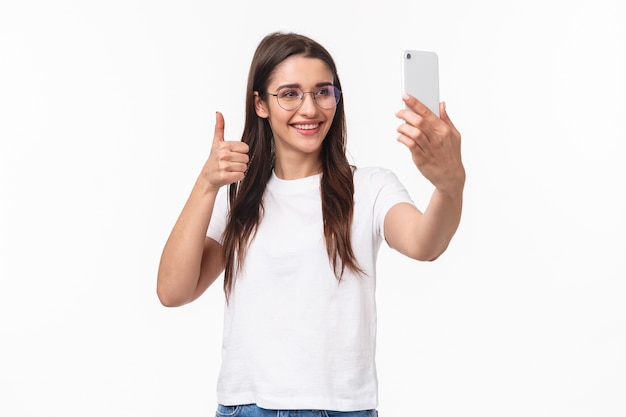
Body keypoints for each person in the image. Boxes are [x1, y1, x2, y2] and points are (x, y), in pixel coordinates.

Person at [157, 32, 465, 417]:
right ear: (261, 104)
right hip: (249, 407)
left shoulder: (368, 187)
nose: (310, 109)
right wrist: (206, 185)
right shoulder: (237, 197)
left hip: (341, 409)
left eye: (323, 92)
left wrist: (450, 186)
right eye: (290, 93)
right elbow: (172, 291)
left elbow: (425, 243)